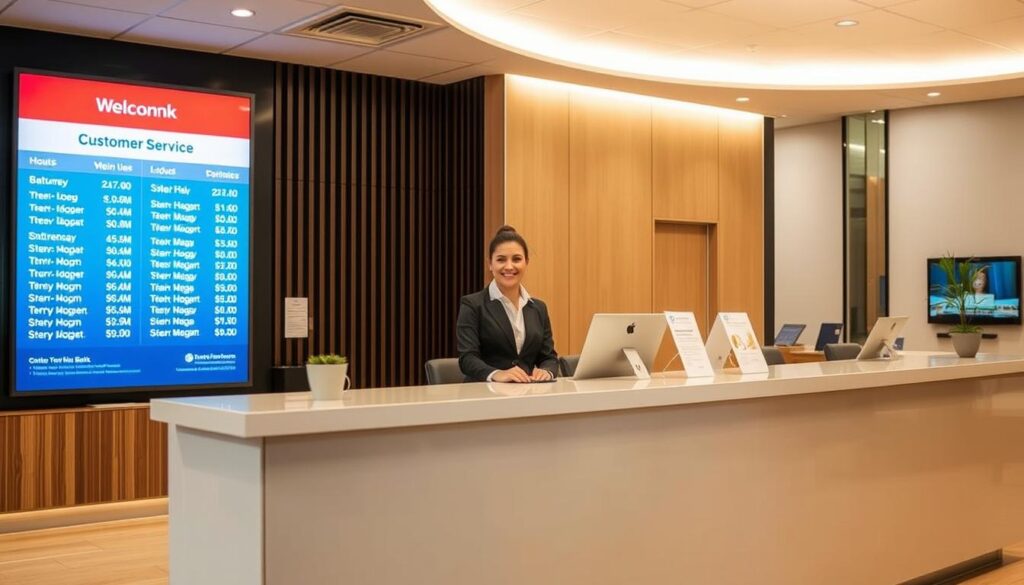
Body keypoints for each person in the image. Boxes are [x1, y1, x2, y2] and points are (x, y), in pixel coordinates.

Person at [456, 226, 558, 383]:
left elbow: (549, 357)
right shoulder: (472, 305)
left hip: (527, 394)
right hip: (483, 395)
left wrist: (547, 372)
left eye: (516, 259)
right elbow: (467, 358)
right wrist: (496, 374)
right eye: (501, 259)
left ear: (526, 262)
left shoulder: (539, 308)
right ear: (490, 264)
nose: (509, 266)